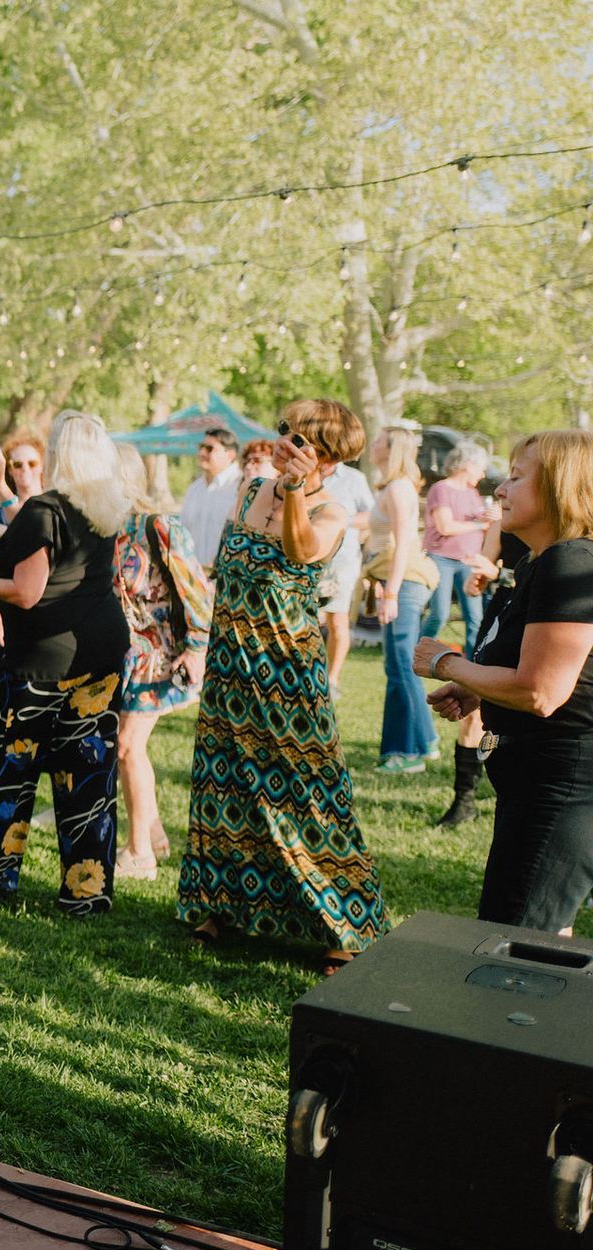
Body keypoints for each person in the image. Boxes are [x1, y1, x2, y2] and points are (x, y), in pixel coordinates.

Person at [177, 400, 389, 971]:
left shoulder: (334, 510)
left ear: (325, 457)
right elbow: (224, 566)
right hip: (229, 663)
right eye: (284, 431)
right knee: (225, 782)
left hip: (286, 672)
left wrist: (294, 490)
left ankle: (343, 922)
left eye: (301, 440)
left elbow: (302, 551)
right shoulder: (248, 492)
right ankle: (219, 902)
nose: (285, 442)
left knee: (305, 790)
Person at [0, 411, 129, 913]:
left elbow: (25, 590)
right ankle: (87, 891)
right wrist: (0, 487)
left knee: (9, 768)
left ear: (59, 454)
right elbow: (40, 532)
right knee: (88, 777)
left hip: (41, 664)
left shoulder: (47, 509)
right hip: (98, 656)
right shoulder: (104, 509)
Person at [417, 431, 593, 934]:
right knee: (536, 932)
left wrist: (448, 663)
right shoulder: (537, 562)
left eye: (516, 477)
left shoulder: (572, 562)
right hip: (536, 781)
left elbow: (541, 692)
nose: (499, 490)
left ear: (561, 486)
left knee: (517, 941)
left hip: (565, 786)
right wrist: (478, 689)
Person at [109, 444, 212, 881]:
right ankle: (152, 834)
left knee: (128, 746)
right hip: (124, 656)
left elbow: (195, 590)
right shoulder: (107, 530)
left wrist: (198, 646)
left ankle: (139, 854)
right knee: (130, 748)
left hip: (160, 656)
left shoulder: (159, 526)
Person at [365, 424, 441, 772]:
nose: (374, 443)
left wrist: (391, 592)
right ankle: (426, 742)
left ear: (392, 448)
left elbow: (404, 544)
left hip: (405, 584)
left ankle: (405, 754)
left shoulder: (398, 489)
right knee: (400, 666)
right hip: (397, 581)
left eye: (379, 440)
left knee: (400, 667)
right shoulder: (391, 487)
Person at [421, 440, 492, 655]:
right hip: (442, 558)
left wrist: (488, 517)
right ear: (467, 465)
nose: (482, 474)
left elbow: (482, 519)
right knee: (439, 614)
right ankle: (417, 652)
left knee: (475, 618)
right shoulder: (441, 489)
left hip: (469, 560)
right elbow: (446, 526)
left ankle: (472, 664)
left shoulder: (472, 493)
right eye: (480, 468)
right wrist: (479, 524)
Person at [318, 452, 374, 696]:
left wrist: (340, 519)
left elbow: (372, 516)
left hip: (341, 560)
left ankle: (331, 680)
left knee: (337, 620)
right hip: (307, 559)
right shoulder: (305, 475)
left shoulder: (354, 479)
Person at [178, 426, 242, 569]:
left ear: (230, 454)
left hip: (227, 575)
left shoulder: (241, 487)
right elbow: (182, 534)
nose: (201, 452)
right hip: (194, 575)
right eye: (201, 447)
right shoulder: (194, 489)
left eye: (209, 448)